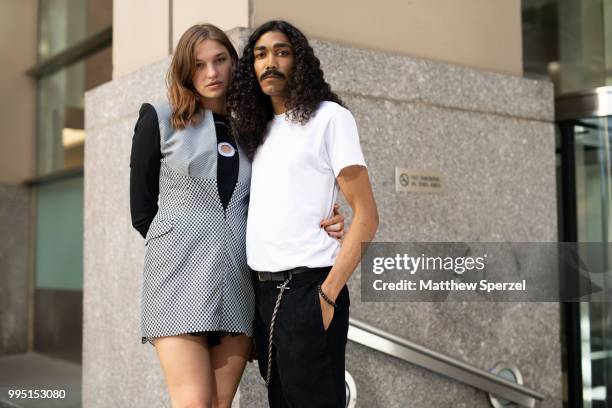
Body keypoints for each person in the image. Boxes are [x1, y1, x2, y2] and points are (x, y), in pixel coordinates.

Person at [129, 23, 345, 408]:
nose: (211, 73)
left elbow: (285, 190)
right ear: (184, 70)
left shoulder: (255, 128)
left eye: (220, 60)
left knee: (219, 403)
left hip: (237, 283)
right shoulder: (159, 120)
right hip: (178, 279)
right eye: (198, 65)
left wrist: (328, 211)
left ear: (235, 64)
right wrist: (185, 242)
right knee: (194, 402)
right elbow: (142, 210)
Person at [228, 20, 379, 408]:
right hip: (263, 294)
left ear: (300, 61)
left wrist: (326, 296)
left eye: (282, 52)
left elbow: (366, 215)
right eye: (260, 55)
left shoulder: (330, 118)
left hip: (307, 290)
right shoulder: (257, 130)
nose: (270, 62)